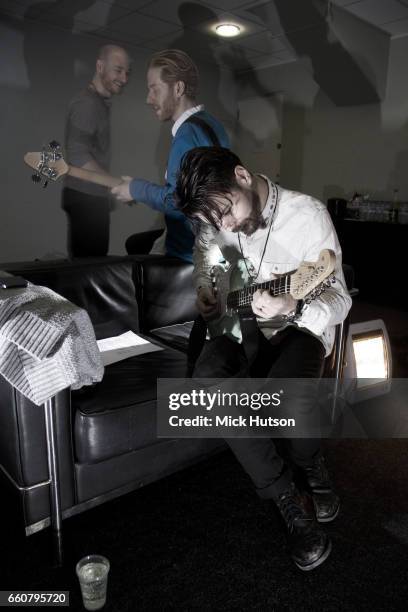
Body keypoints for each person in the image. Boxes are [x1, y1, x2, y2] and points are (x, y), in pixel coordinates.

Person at [175, 146, 352, 571]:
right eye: (213, 220)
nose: (226, 225)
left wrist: (291, 304)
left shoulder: (306, 216)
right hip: (241, 324)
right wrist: (211, 295)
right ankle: (286, 496)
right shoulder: (212, 222)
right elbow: (207, 279)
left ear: (241, 176)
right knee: (207, 386)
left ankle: (312, 468)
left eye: (227, 210)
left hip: (300, 325)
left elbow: (340, 299)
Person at [111, 49, 229, 263]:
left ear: (178, 88)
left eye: (154, 89)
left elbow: (176, 202)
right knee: (136, 243)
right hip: (214, 243)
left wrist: (135, 189)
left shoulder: (185, 136)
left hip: (188, 254)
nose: (149, 99)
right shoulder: (214, 124)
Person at [63, 44, 130, 257]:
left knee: (93, 267)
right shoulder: (87, 104)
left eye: (127, 72)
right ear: (100, 67)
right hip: (85, 197)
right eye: (118, 70)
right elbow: (77, 156)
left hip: (91, 196)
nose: (124, 78)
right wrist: (116, 184)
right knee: (90, 271)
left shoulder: (99, 103)